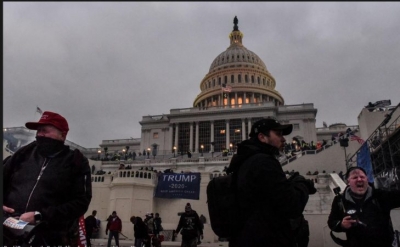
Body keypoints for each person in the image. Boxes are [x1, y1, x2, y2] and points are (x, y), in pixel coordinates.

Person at [3, 111, 92, 246]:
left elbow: (81, 202)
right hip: (8, 231)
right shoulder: (24, 153)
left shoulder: (75, 161)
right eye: (38, 131)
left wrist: (40, 216)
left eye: (45, 131)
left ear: (62, 135)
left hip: (48, 237)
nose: (40, 135)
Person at [226, 118, 316, 247]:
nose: (284, 139)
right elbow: (292, 205)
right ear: (262, 137)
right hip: (266, 239)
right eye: (278, 134)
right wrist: (301, 184)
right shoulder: (264, 162)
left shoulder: (244, 162)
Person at [328, 166, 400, 247]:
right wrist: (342, 224)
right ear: (348, 182)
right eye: (355, 177)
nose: (359, 179)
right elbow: (332, 222)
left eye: (362, 177)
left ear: (367, 179)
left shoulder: (380, 196)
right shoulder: (340, 200)